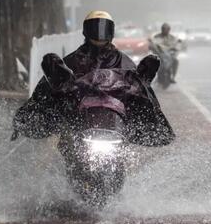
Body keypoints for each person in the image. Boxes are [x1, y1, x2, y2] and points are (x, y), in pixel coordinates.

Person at [13, 10, 174, 147]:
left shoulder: (122, 60)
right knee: (68, 140)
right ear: (86, 31)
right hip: (79, 121)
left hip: (114, 121)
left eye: (103, 28)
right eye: (95, 28)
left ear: (110, 32)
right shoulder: (74, 59)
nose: (99, 33)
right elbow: (47, 90)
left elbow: (139, 87)